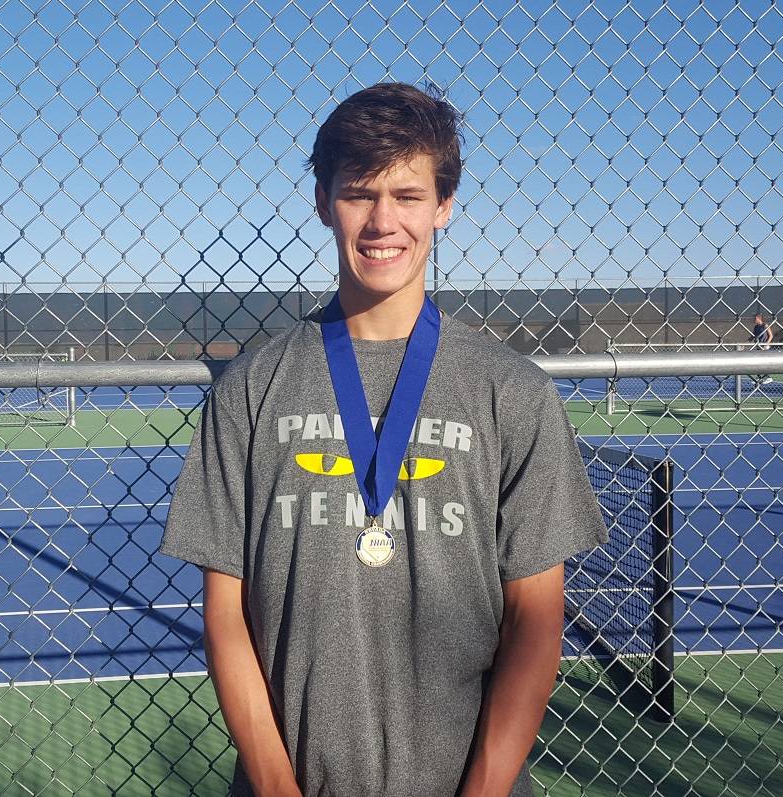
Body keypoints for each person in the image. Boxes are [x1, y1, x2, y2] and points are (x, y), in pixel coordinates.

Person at [159, 82, 608, 797]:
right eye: (359, 193)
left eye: (405, 195)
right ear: (321, 201)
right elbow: (224, 613)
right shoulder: (249, 387)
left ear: (444, 205)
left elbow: (535, 617)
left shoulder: (512, 391)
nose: (380, 221)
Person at [752, 312, 774, 384]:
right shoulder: (756, 327)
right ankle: (759, 378)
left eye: (755, 319)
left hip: (765, 347)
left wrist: (766, 344)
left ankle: (769, 377)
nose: (754, 320)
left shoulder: (765, 325)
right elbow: (754, 336)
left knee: (766, 362)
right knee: (758, 362)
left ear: (759, 319)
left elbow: (771, 335)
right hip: (759, 346)